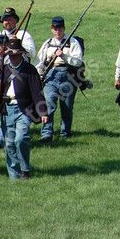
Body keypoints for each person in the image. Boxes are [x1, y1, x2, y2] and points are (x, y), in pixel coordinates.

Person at [0, 38, 48, 179]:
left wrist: (43, 112)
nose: (13, 57)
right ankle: (14, 175)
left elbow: (37, 92)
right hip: (6, 109)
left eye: (15, 55)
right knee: (10, 144)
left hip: (24, 110)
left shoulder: (29, 70)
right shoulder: (4, 70)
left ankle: (25, 168)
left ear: (21, 55)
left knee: (21, 139)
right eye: (11, 55)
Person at [36, 16, 84, 144]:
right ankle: (46, 134)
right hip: (51, 76)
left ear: (64, 28)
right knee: (49, 105)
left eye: (60, 28)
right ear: (52, 29)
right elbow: (40, 62)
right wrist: (40, 74)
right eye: (55, 28)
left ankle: (65, 133)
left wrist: (64, 55)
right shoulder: (47, 43)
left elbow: (78, 61)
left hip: (68, 76)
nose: (58, 31)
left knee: (66, 107)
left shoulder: (72, 42)